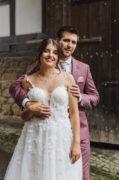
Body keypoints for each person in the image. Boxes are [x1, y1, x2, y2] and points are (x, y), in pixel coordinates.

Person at [9, 26, 100, 180]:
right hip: (40, 133)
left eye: (73, 42)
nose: (69, 45)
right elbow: (15, 86)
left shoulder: (83, 68)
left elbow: (95, 97)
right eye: (66, 41)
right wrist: (28, 104)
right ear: (58, 41)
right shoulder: (39, 67)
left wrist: (79, 98)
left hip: (76, 132)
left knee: (79, 176)